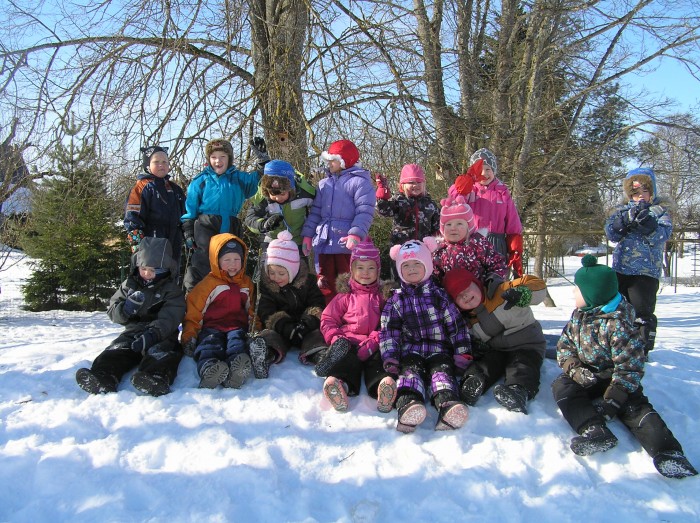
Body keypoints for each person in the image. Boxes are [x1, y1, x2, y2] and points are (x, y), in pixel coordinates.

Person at [551, 255, 697, 478]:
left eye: (577, 289)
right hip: (588, 373)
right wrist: (575, 370)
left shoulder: (619, 325)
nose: (573, 292)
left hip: (617, 378)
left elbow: (630, 366)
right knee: (562, 387)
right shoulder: (579, 316)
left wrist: (615, 397)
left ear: (593, 294)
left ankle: (668, 452)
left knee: (635, 408)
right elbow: (564, 346)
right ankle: (594, 430)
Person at [380, 238, 471, 433]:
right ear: (399, 270)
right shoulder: (397, 299)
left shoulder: (439, 296)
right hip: (411, 351)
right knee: (409, 375)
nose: (412, 269)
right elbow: (389, 331)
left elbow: (456, 325)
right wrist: (391, 356)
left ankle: (448, 406)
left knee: (442, 374)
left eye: (417, 264)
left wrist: (462, 352)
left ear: (427, 266)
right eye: (406, 265)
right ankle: (409, 406)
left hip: (439, 350)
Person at [76, 237, 185, 397]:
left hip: (162, 334)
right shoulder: (129, 285)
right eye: (143, 268)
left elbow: (171, 316)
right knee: (117, 350)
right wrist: (125, 310)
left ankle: (156, 378)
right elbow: (112, 309)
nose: (146, 273)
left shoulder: (172, 291)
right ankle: (104, 376)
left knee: (163, 353)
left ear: (164, 270)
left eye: (153, 270)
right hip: (133, 331)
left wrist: (153, 334)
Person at [443, 268, 546, 414]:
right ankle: (471, 384)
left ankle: (518, 391)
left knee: (522, 366)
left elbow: (538, 285)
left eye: (466, 288)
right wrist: (477, 346)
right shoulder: (467, 320)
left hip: (527, 344)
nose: (464, 296)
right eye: (458, 296)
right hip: (498, 350)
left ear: (477, 283)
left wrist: (525, 293)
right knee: (485, 364)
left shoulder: (501, 290)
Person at [314, 240, 397, 413]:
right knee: (346, 360)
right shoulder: (345, 295)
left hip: (374, 343)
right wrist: (336, 338)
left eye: (371, 268)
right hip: (349, 341)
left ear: (378, 270)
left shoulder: (383, 296)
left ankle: (383, 386)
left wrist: (374, 340)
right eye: (360, 267)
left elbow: (390, 323)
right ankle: (339, 385)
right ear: (352, 270)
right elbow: (328, 319)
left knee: (378, 361)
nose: (365, 272)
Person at [181, 137, 269, 292]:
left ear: (229, 158)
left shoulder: (238, 178)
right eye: (214, 157)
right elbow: (191, 207)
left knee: (231, 259)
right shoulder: (201, 180)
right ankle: (199, 295)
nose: (218, 161)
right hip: (206, 224)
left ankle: (229, 295)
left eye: (222, 156)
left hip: (231, 223)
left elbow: (256, 180)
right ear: (209, 159)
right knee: (204, 260)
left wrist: (263, 162)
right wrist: (188, 229)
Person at [604, 167, 672, 356]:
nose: (640, 196)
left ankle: (641, 350)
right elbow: (611, 234)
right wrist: (622, 222)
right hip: (621, 269)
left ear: (652, 191)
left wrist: (648, 226)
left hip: (645, 272)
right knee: (617, 309)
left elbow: (663, 235)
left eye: (645, 190)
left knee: (641, 311)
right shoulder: (622, 211)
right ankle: (617, 345)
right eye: (635, 192)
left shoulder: (659, 212)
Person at [300, 139, 376, 303]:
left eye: (332, 160)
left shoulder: (360, 183)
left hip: (345, 244)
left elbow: (364, 211)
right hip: (324, 242)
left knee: (348, 283)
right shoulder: (324, 184)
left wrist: (355, 234)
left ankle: (351, 312)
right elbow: (316, 212)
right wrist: (308, 235)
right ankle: (329, 313)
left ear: (344, 161)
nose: (329, 164)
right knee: (325, 283)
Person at [180, 233, 257, 389]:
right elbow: (195, 310)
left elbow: (252, 310)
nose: (232, 264)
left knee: (237, 344)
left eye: (237, 259)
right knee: (209, 345)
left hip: (236, 327)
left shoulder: (246, 283)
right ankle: (209, 368)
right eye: (227, 260)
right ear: (217, 261)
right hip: (212, 327)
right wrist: (190, 335)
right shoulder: (209, 284)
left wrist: (256, 330)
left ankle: (237, 369)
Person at [251, 230, 329, 378]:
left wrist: (308, 322)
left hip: (305, 327)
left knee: (317, 335)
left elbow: (317, 302)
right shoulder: (267, 286)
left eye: (281, 273)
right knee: (269, 336)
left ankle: (321, 356)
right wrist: (284, 326)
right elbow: (266, 310)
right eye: (271, 272)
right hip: (281, 328)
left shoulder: (308, 281)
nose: (276, 277)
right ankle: (265, 355)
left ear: (293, 270)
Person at [449, 148, 524, 277]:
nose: (484, 174)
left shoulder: (502, 192)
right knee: (473, 279)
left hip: (496, 243)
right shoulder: (469, 190)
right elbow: (454, 200)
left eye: (488, 169)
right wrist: (465, 181)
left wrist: (515, 248)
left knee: (496, 280)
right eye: (480, 170)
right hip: (472, 241)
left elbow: (513, 222)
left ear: (494, 170)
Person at [432, 195, 508, 295]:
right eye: (448, 225)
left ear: (469, 227)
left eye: (459, 224)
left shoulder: (477, 244)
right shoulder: (440, 250)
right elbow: (435, 273)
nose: (453, 228)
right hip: (452, 297)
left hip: (479, 294)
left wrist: (493, 279)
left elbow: (497, 262)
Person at [124, 146, 186, 268]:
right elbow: (132, 217)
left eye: (164, 162)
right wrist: (137, 245)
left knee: (171, 275)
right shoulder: (141, 188)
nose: (161, 165)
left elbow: (185, 214)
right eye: (156, 162)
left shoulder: (175, 189)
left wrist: (188, 233)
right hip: (151, 245)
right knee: (153, 276)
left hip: (174, 244)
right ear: (148, 165)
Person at [243, 159, 315, 258]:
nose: (278, 198)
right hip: (272, 242)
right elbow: (250, 219)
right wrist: (264, 225)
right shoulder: (263, 199)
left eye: (282, 194)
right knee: (270, 267)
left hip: (298, 242)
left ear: (291, 189)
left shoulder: (305, 194)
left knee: (299, 267)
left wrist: (309, 234)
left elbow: (317, 213)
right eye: (273, 194)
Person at [375, 163, 440, 246]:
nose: (415, 185)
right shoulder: (399, 200)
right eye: (411, 182)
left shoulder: (430, 204)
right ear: (403, 185)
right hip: (402, 245)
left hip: (423, 246)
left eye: (419, 182)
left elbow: (437, 225)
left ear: (424, 184)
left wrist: (436, 241)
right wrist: (382, 195)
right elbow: (384, 211)